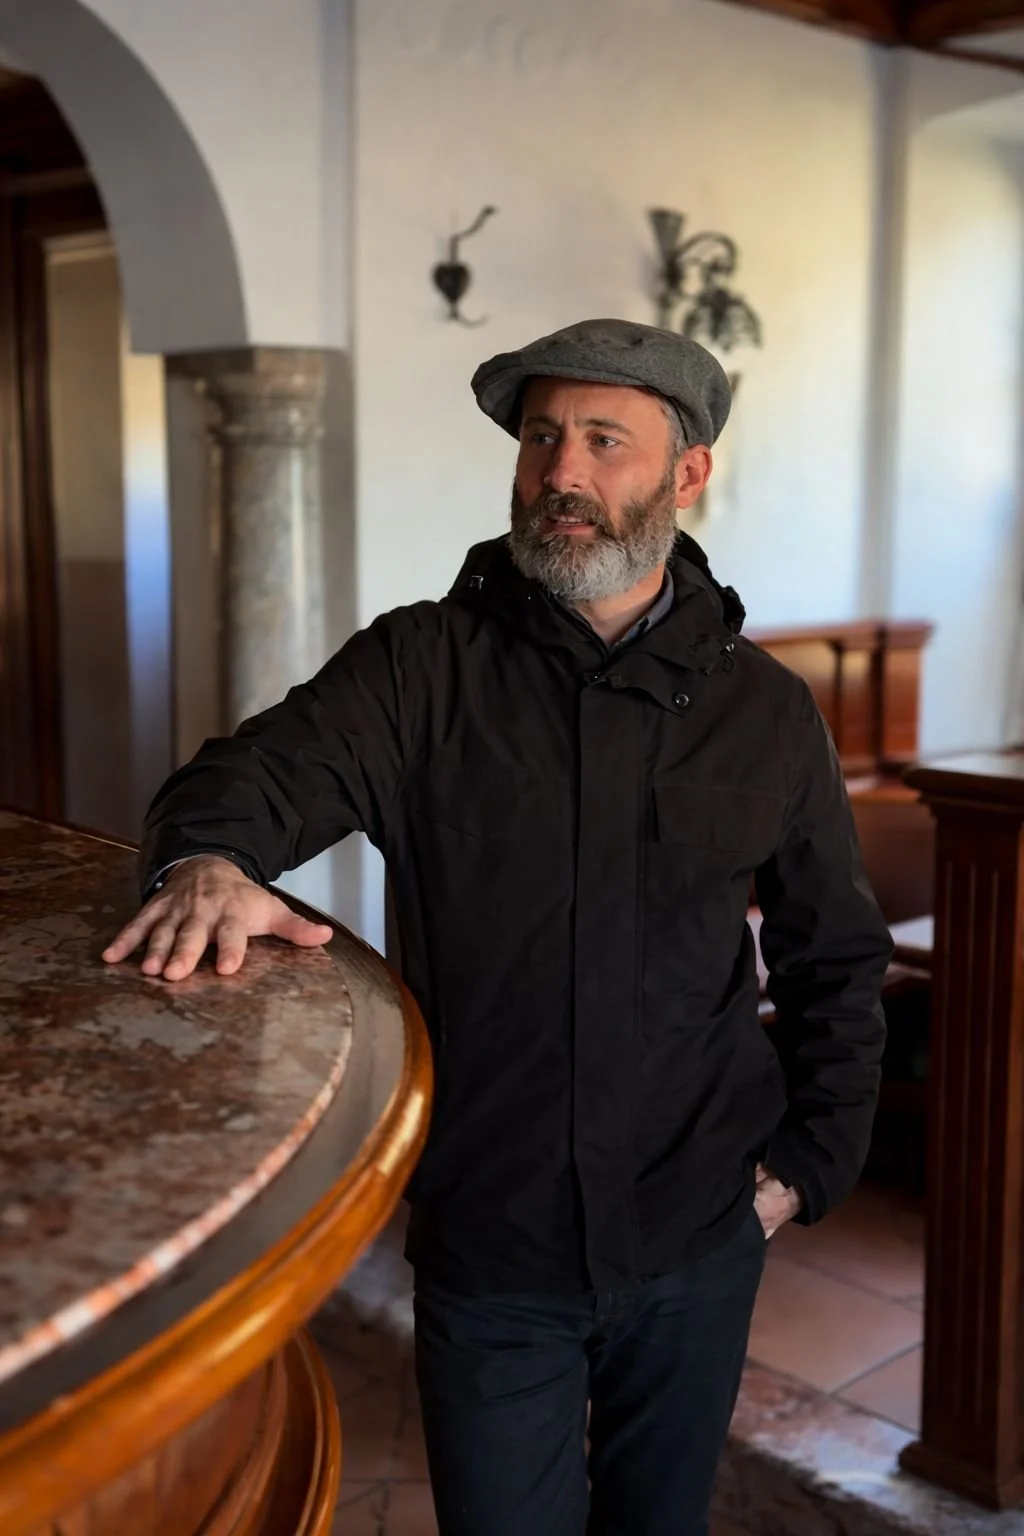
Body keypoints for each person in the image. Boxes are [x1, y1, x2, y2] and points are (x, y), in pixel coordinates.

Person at [104, 319, 891, 1536]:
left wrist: (805, 1168)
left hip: (702, 1228)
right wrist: (210, 860)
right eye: (539, 438)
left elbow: (832, 955)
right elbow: (242, 779)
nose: (558, 472)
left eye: (601, 441)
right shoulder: (420, 668)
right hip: (495, 1244)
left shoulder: (767, 714)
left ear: (687, 476)